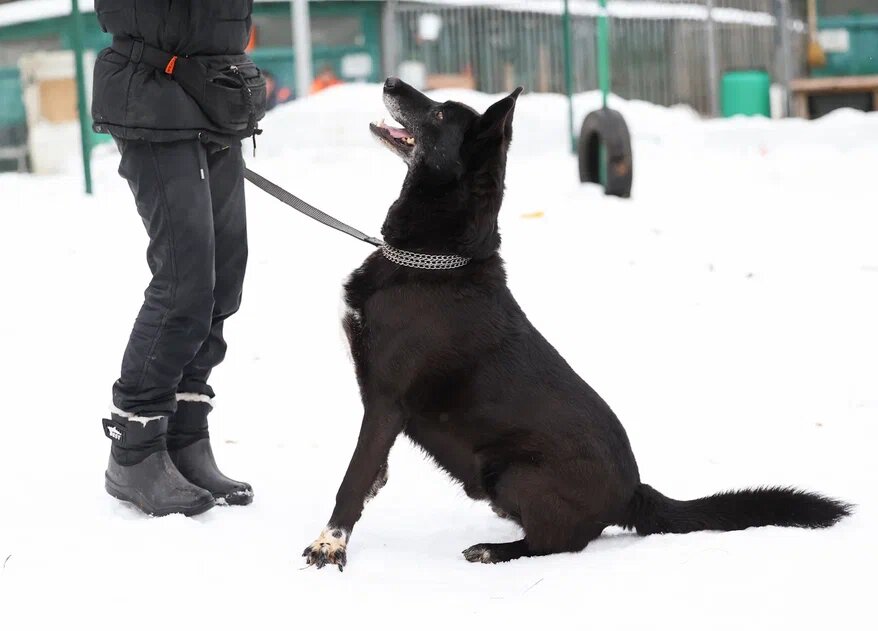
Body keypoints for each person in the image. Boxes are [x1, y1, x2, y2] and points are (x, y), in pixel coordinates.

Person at [91, 1, 266, 516]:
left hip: (217, 87)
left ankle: (185, 433)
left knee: (224, 278)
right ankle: (136, 446)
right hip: (153, 87)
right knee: (185, 282)